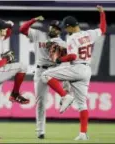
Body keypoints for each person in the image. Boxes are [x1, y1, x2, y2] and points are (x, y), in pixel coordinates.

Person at [41, 5, 106, 140]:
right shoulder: (89, 34)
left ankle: (65, 96)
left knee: (45, 75)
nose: (65, 29)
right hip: (87, 70)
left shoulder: (72, 38)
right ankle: (83, 134)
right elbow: (103, 29)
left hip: (76, 67)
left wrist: (59, 59)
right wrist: (102, 13)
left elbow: (72, 57)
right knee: (82, 104)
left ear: (71, 26)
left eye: (66, 27)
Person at [19, 16, 66, 139]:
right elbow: (22, 29)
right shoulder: (38, 34)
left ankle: (65, 95)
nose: (54, 29)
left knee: (68, 79)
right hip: (40, 71)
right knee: (40, 103)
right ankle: (40, 131)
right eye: (52, 27)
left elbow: (62, 60)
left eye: (57, 28)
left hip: (53, 70)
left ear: (59, 31)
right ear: (49, 27)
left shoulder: (61, 43)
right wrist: (34, 20)